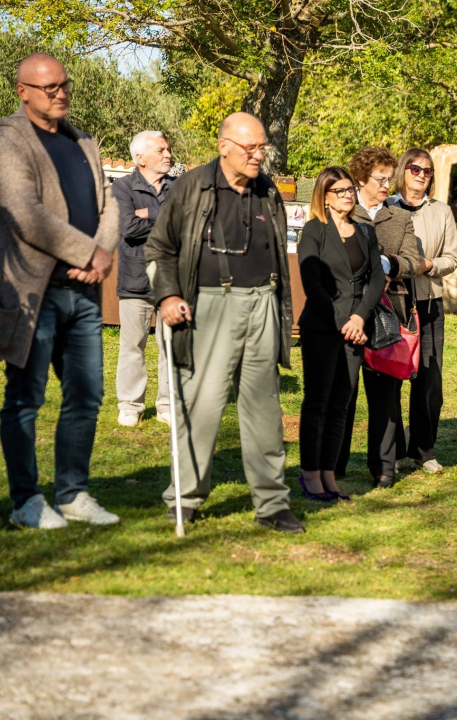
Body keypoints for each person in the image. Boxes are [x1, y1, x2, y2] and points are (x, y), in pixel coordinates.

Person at [144, 111, 304, 534]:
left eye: (262, 146)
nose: (258, 155)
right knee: (203, 405)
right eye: (250, 148)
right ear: (224, 147)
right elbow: (159, 248)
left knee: (264, 410)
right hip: (210, 306)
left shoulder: (268, 190)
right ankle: (185, 499)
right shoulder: (192, 187)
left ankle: (272, 504)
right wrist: (168, 294)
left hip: (263, 305)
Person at [0, 53, 120, 528]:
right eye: (49, 87)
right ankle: (26, 501)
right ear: (22, 91)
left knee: (86, 395)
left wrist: (100, 252)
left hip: (82, 294)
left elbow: (110, 204)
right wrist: (88, 252)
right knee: (25, 398)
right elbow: (24, 212)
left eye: (65, 84)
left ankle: (73, 493)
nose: (61, 93)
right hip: (32, 297)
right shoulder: (5, 138)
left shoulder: (83, 141)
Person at [338, 147, 427, 488]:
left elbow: (413, 260)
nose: (387, 185)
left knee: (385, 397)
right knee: (343, 392)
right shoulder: (344, 209)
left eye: (390, 178)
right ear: (361, 179)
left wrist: (389, 264)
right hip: (348, 312)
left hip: (390, 314)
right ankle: (336, 463)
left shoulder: (401, 218)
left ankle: (384, 468)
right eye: (381, 179)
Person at [296, 167, 384, 502]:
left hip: (355, 330)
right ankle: (310, 475)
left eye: (350, 190)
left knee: (342, 405)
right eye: (340, 191)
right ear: (325, 196)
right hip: (322, 326)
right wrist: (342, 321)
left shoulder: (365, 231)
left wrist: (359, 318)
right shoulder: (314, 231)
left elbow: (376, 279)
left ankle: (330, 475)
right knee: (317, 402)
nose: (348, 195)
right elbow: (312, 283)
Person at [388, 149, 457, 475]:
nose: (421, 174)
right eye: (415, 168)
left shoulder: (441, 211)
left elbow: (452, 258)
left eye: (427, 171)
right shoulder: (386, 207)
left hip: (430, 304)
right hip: (394, 302)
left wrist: (430, 265)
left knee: (429, 380)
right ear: (403, 170)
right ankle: (393, 452)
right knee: (391, 377)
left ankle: (423, 451)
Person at [112, 130, 174, 428]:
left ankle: (167, 404)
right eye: (161, 150)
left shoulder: (178, 187)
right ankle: (130, 405)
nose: (168, 154)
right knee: (132, 346)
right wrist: (163, 217)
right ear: (140, 158)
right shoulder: (122, 188)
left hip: (173, 281)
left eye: (168, 149)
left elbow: (185, 223)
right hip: (135, 280)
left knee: (171, 346)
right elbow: (128, 228)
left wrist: (148, 212)